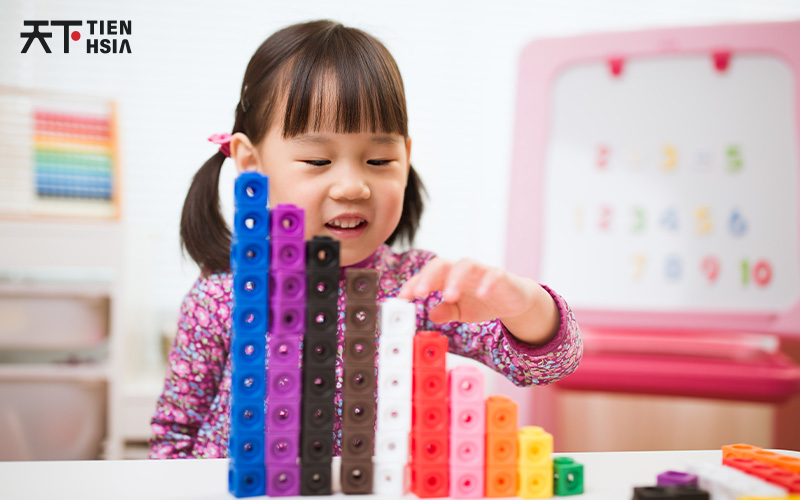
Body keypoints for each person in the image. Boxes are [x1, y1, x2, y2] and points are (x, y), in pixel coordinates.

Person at [150, 19, 582, 459]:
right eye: (318, 160)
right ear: (251, 163)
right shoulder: (220, 297)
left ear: (406, 158)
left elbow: (547, 363)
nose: (353, 186)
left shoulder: (417, 286)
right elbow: (173, 438)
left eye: (379, 159)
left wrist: (525, 305)